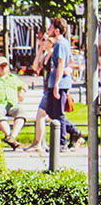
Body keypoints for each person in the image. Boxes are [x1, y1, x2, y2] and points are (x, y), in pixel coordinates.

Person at [43, 17, 82, 151]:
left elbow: (60, 63)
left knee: (58, 113)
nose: (49, 30)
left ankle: (61, 142)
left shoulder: (60, 44)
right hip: (57, 82)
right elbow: (69, 60)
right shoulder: (64, 43)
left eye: (51, 28)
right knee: (51, 111)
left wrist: (56, 85)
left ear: (57, 30)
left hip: (59, 84)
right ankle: (75, 132)